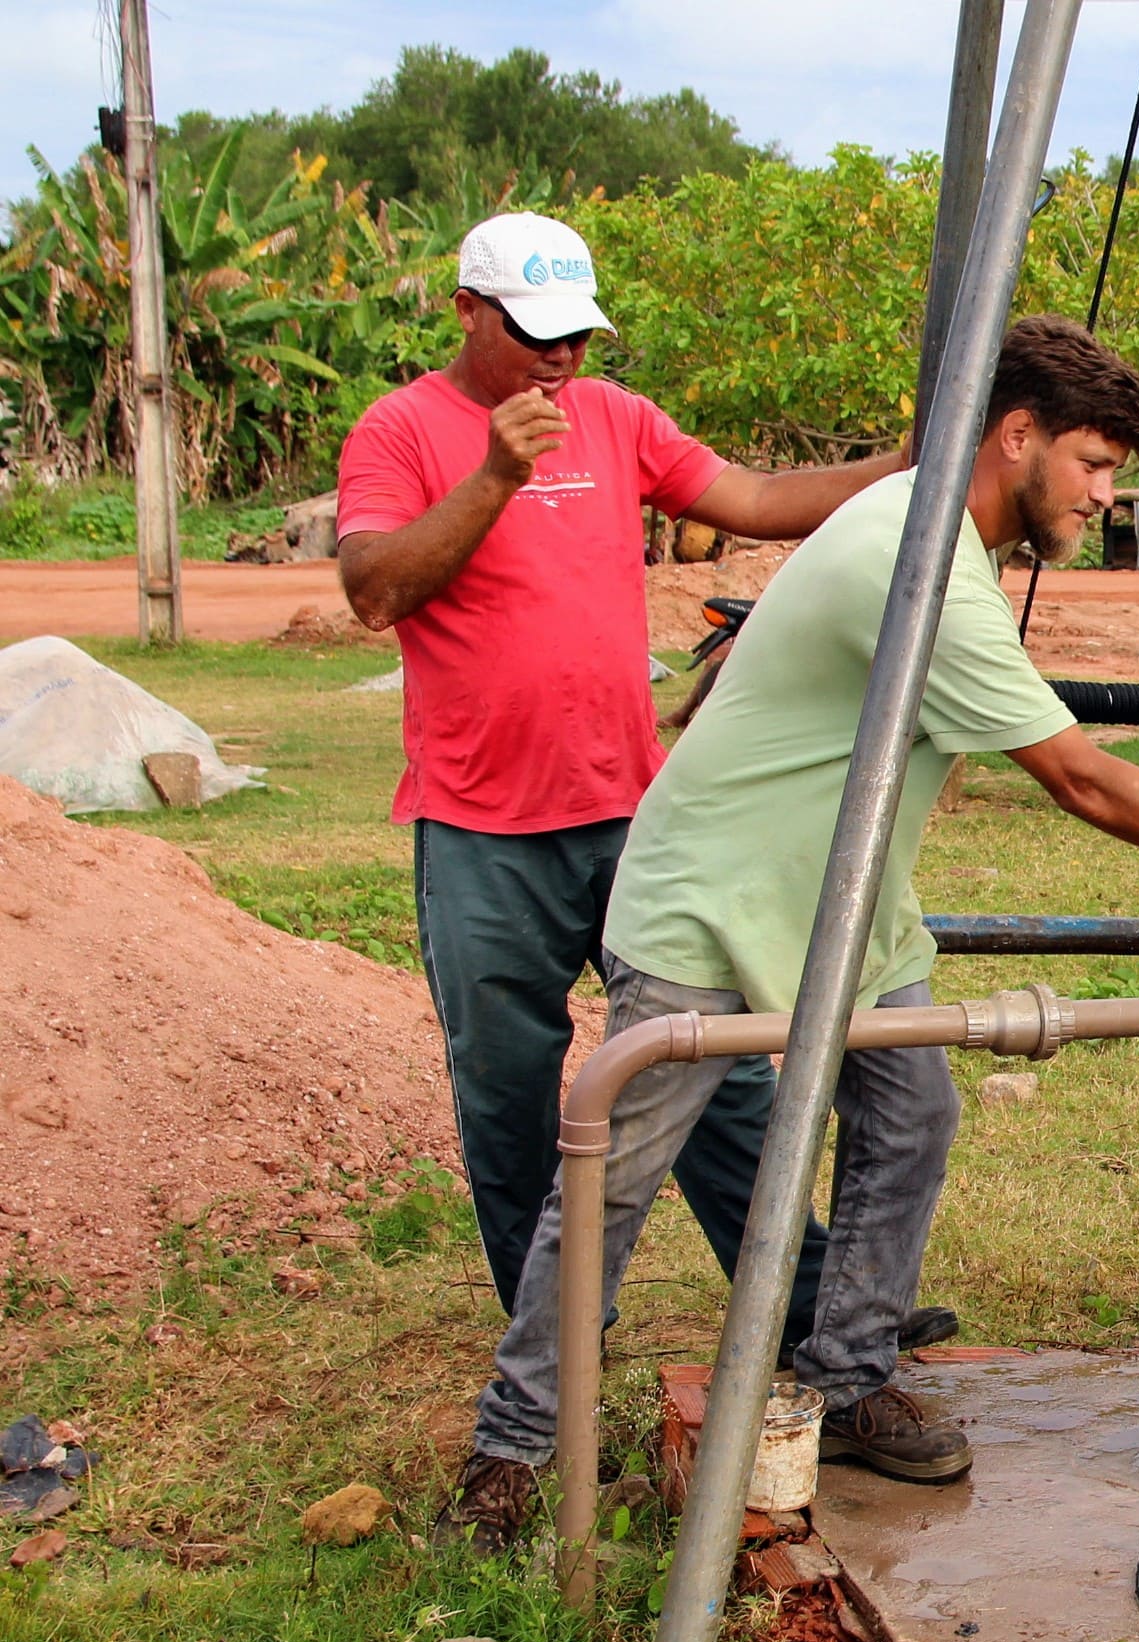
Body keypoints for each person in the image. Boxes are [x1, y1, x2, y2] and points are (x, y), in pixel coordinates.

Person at [432, 316, 1139, 1550]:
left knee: (911, 1112)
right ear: (1016, 435)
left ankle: (846, 1377)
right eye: (1094, 463)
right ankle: (511, 1449)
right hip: (709, 898)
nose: (1104, 496)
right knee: (615, 1178)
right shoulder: (920, 562)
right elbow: (1080, 778)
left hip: (846, 903)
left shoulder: (933, 531)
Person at [336, 212, 915, 1359]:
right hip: (483, 829)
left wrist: (907, 463)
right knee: (508, 1092)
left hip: (634, 815)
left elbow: (752, 499)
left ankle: (801, 1302)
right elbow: (373, 587)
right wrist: (496, 474)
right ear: (467, 312)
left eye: (576, 335)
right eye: (534, 334)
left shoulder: (614, 417)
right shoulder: (400, 429)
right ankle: (554, 1336)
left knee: (715, 1064)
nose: (561, 358)